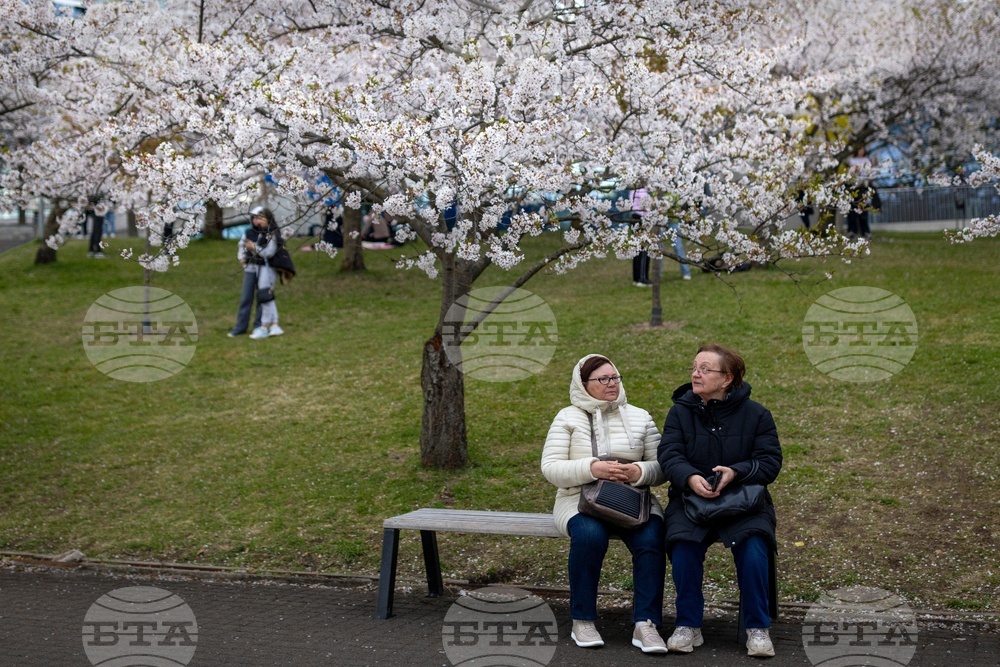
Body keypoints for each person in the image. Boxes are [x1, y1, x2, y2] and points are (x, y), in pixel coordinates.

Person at [657, 343, 782, 657]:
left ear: (727, 379)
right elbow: (669, 455)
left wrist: (736, 472)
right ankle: (688, 625)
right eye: (694, 367)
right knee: (683, 545)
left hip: (743, 501)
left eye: (705, 369)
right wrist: (689, 477)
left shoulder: (757, 415)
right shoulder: (680, 412)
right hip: (691, 500)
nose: (695, 374)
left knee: (754, 548)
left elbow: (769, 463)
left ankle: (757, 628)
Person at [541, 354, 669, 654]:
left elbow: (662, 466)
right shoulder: (567, 418)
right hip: (578, 500)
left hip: (633, 501)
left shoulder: (640, 416)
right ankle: (582, 619)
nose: (612, 384)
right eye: (603, 379)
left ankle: (645, 623)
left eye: (615, 378)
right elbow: (550, 468)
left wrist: (639, 472)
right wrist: (592, 469)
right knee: (589, 536)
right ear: (583, 384)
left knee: (652, 537)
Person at [228, 207, 284, 339]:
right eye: (254, 218)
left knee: (263, 296)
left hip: (265, 268)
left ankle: (259, 325)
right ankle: (240, 326)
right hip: (250, 267)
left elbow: (269, 252)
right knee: (246, 297)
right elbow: (242, 245)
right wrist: (241, 257)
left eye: (260, 217)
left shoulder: (271, 233)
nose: (256, 221)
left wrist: (255, 248)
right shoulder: (249, 232)